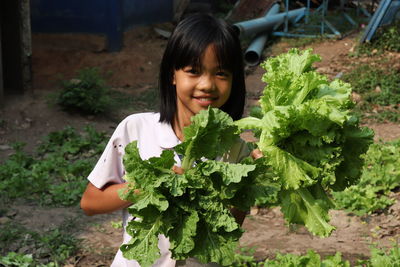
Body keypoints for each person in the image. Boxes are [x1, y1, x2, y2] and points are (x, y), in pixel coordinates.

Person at [80, 13, 254, 267]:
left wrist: (248, 185)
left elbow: (227, 230)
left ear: (234, 81)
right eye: (193, 71)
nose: (207, 85)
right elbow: (90, 202)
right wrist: (149, 186)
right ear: (172, 74)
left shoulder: (234, 149)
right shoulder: (136, 129)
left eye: (221, 74)